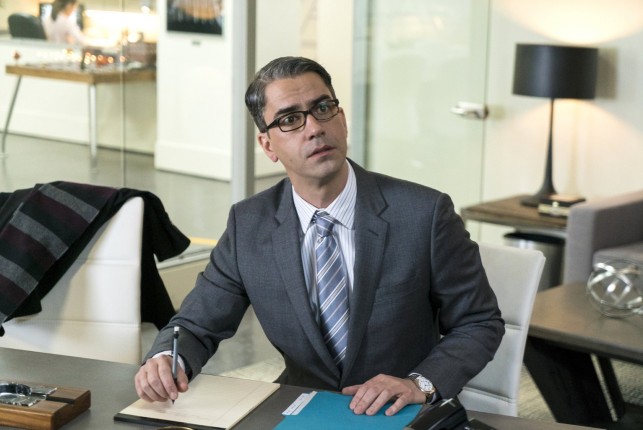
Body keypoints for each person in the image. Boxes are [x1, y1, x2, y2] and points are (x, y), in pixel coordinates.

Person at [135, 56, 505, 417]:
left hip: (401, 412)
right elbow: (196, 324)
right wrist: (166, 358)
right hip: (300, 408)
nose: (314, 128)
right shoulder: (249, 224)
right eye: (290, 119)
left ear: (341, 119)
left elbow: (479, 322)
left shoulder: (424, 213)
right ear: (268, 146)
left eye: (323, 108)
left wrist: (418, 384)